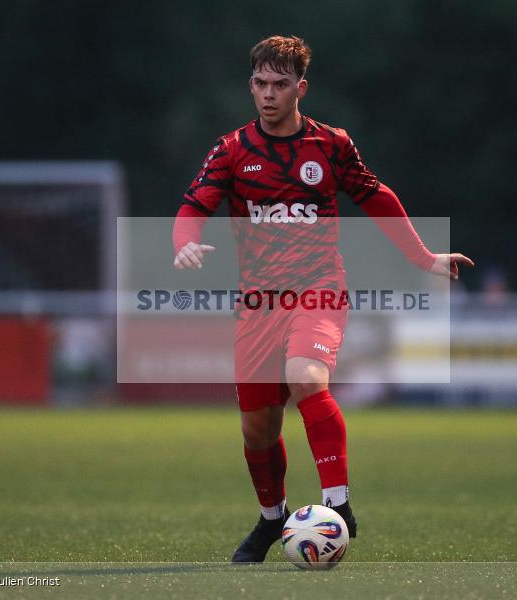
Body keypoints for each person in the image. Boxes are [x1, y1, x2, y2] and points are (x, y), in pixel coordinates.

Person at [172, 35, 473, 563]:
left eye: (280, 84)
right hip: (259, 305)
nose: (268, 94)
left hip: (319, 289)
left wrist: (425, 258)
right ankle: (271, 522)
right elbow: (193, 206)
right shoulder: (231, 149)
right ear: (251, 85)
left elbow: (376, 197)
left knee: (307, 378)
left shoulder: (330, 145)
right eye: (260, 84)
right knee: (257, 429)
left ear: (300, 88)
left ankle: (339, 505)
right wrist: (185, 243)